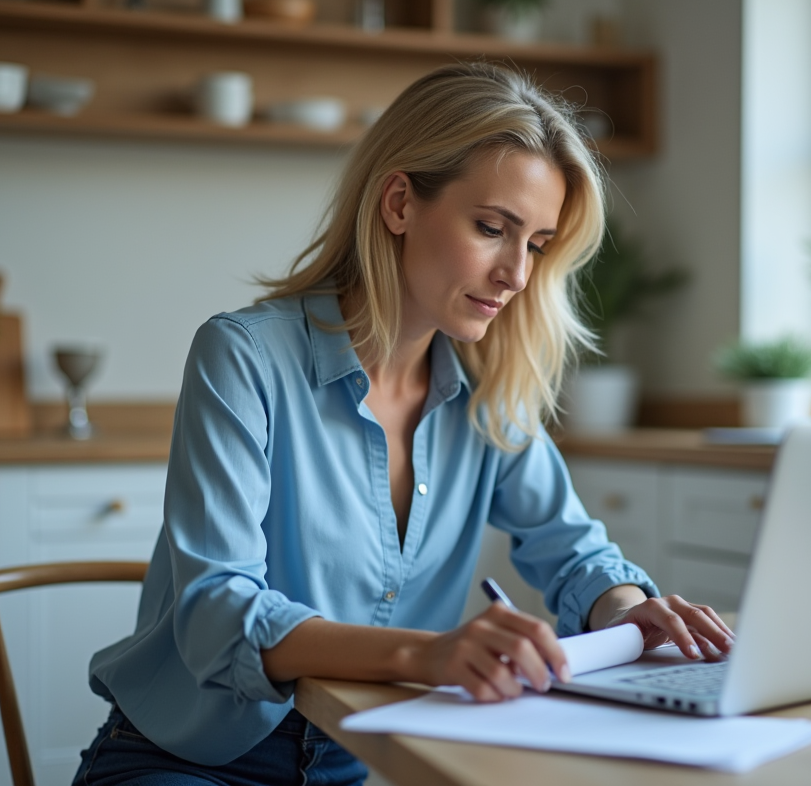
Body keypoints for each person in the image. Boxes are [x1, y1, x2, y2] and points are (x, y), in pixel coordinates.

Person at [73, 62, 735, 786]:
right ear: (398, 202)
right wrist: (429, 654)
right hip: (187, 760)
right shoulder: (245, 357)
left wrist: (628, 612)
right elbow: (214, 614)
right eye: (492, 228)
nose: (517, 273)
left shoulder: (490, 391)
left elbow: (575, 554)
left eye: (537, 244)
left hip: (357, 758)